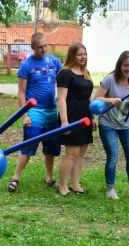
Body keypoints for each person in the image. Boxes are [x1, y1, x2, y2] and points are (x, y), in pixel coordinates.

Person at [7, 32, 63, 192]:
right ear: (33, 48)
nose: (43, 49)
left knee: (51, 146)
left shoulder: (54, 62)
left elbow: (63, 83)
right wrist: (25, 115)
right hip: (34, 112)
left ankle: (50, 178)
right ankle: (15, 177)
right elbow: (21, 92)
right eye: (39, 47)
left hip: (51, 110)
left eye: (45, 46)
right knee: (29, 144)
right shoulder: (26, 65)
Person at [93, 51, 129, 200]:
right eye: (125, 65)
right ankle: (110, 189)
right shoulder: (110, 79)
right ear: (119, 65)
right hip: (108, 123)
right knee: (113, 156)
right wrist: (111, 100)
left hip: (126, 124)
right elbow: (96, 99)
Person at [56, 43, 95, 196]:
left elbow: (89, 98)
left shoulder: (86, 73)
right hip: (71, 115)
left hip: (85, 114)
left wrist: (93, 117)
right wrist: (64, 122)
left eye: (84, 54)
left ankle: (76, 184)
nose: (83, 57)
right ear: (72, 55)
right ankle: (62, 185)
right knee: (72, 152)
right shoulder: (64, 73)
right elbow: (61, 99)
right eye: (79, 54)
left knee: (81, 152)